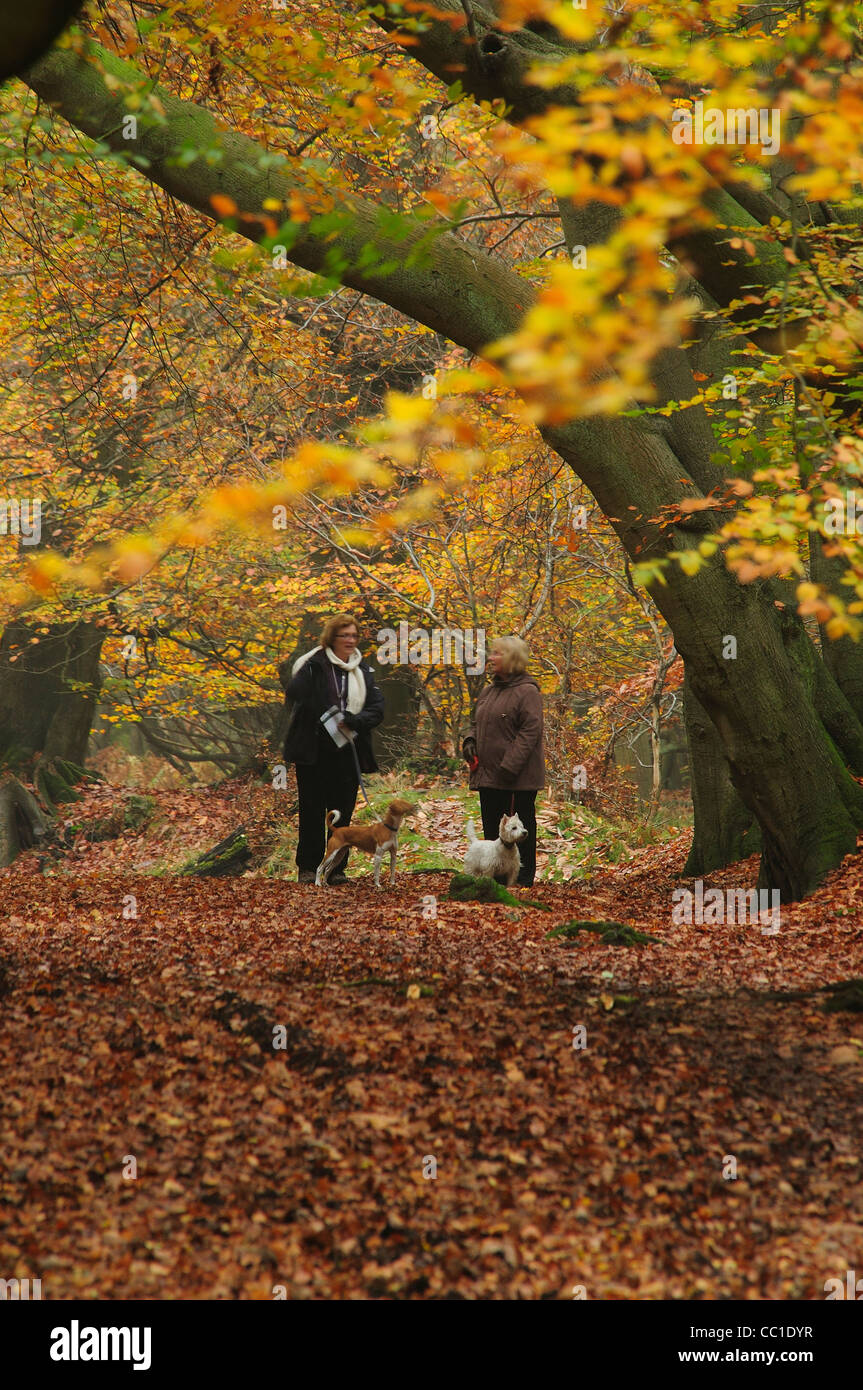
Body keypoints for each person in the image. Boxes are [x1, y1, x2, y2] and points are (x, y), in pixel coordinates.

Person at [279, 614, 384, 884]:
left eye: (354, 636)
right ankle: (307, 867)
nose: (350, 641)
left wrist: (355, 720)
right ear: (331, 638)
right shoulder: (314, 665)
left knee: (343, 813)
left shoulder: (363, 671)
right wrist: (311, 676)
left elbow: (377, 709)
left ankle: (335, 869)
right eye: (344, 635)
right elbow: (294, 693)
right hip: (313, 751)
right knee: (312, 811)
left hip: (348, 752)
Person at [462, 635, 545, 887]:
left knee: (520, 829)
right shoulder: (489, 691)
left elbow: (530, 732)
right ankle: (496, 881)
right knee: (494, 829)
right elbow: (477, 724)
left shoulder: (528, 692)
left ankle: (522, 879)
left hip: (516, 778)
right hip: (487, 775)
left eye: (497, 653)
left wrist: (509, 767)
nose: (491, 658)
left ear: (512, 658)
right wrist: (469, 741)